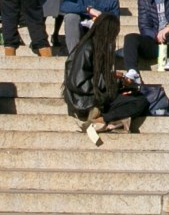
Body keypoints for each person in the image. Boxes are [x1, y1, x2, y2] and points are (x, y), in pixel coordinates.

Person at [64, 11, 150, 144]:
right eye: (114, 33)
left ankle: (108, 121)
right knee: (140, 102)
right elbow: (79, 83)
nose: (115, 37)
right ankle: (102, 119)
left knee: (136, 96)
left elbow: (96, 77)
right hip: (86, 101)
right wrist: (111, 80)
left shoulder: (96, 47)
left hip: (94, 96)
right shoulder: (87, 48)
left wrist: (116, 80)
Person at [57, 0, 122, 61]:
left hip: (100, 36)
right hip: (80, 35)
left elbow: (115, 23)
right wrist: (88, 9)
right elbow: (63, 5)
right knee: (71, 17)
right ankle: (74, 59)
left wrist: (100, 20)